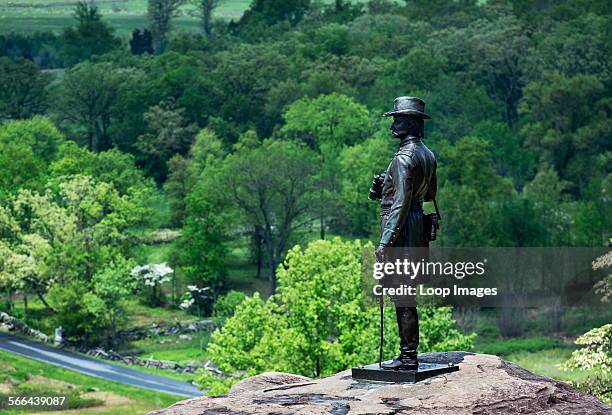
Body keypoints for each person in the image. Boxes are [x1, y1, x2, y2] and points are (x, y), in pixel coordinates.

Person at [370, 96, 437, 370]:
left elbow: (399, 204)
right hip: (417, 225)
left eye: (397, 121)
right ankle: (408, 354)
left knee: (402, 296)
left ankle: (408, 357)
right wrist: (383, 185)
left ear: (410, 124)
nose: (392, 126)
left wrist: (385, 241)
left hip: (401, 231)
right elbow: (429, 194)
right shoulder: (428, 155)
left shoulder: (403, 158)